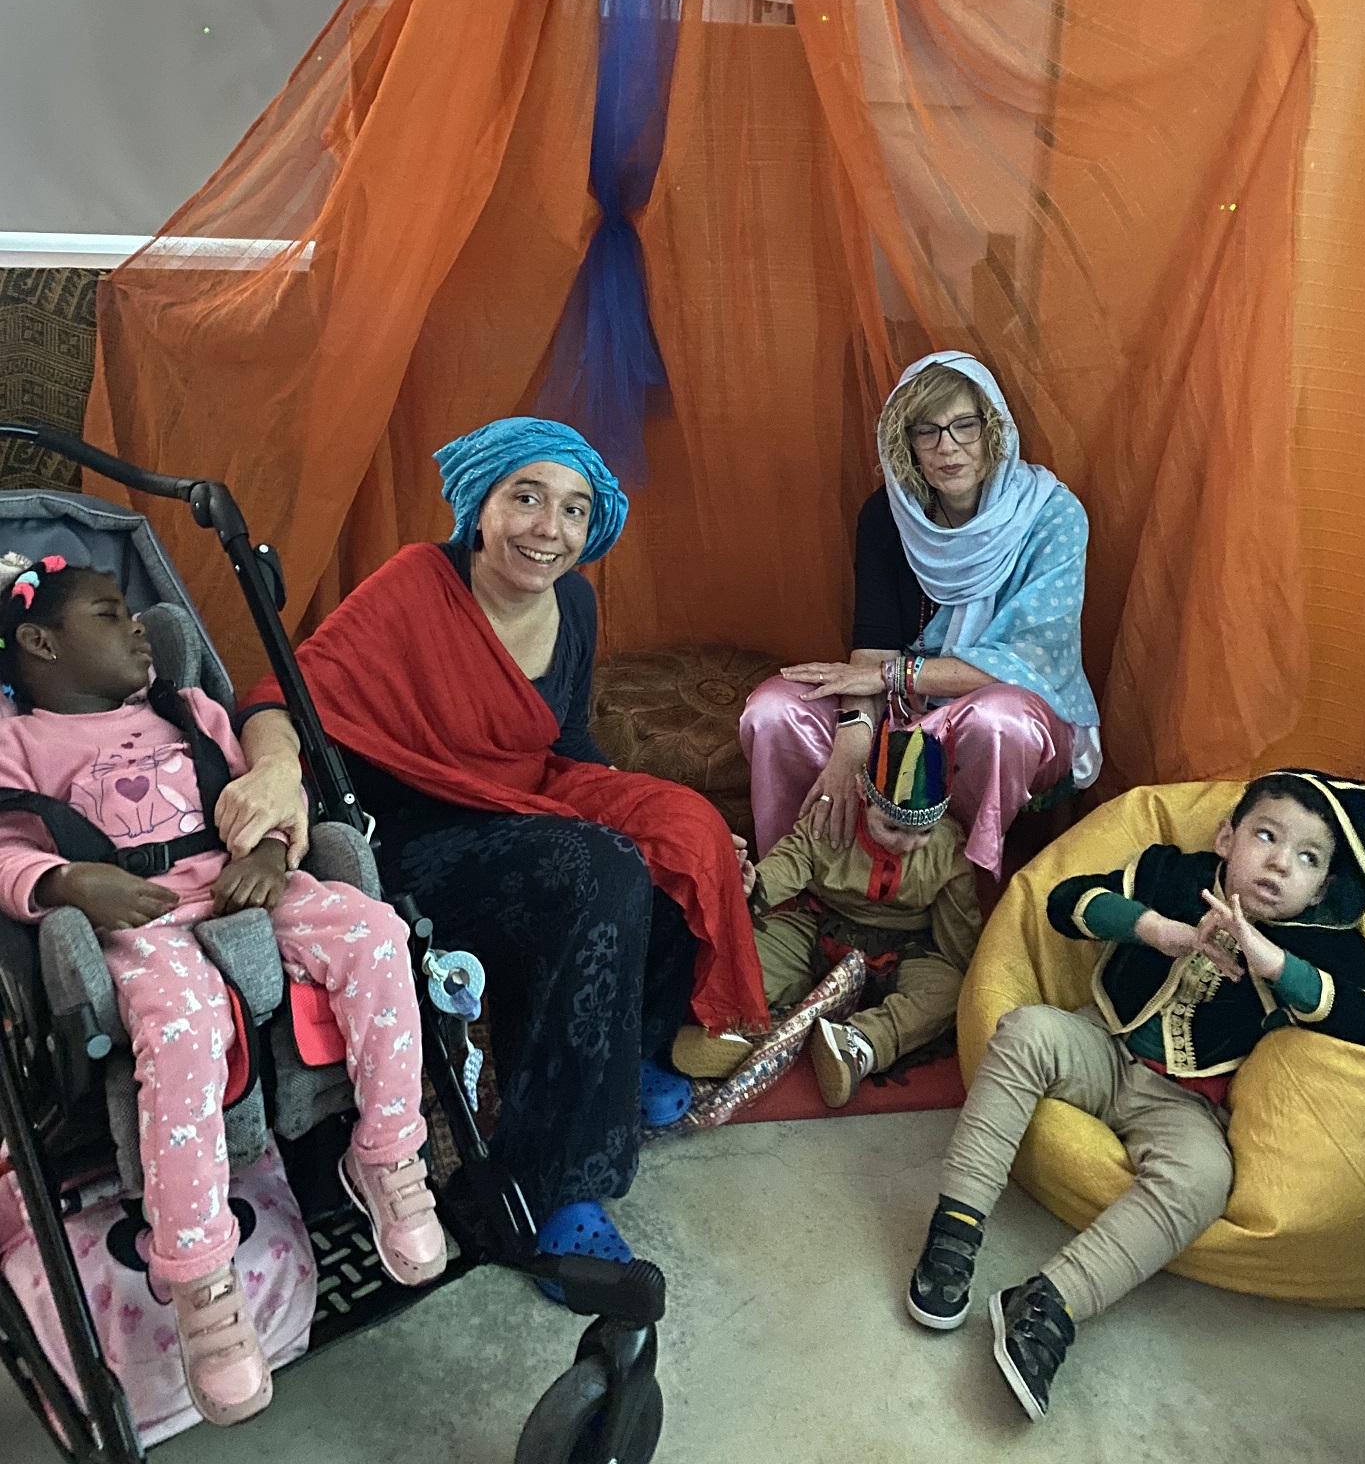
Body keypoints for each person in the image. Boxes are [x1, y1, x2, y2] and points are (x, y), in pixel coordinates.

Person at [233, 418, 766, 1288]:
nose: (548, 528)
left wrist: (637, 810)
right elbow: (278, 695)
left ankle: (631, 1059)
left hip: (523, 796)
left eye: (573, 509)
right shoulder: (416, 583)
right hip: (416, 833)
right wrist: (272, 769)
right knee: (602, 867)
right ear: (480, 506)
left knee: (682, 833)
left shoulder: (576, 606)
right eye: (526, 497)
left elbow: (569, 740)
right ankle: (552, 1191)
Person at [0, 557, 445, 1428]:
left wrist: (272, 851)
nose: (138, 626)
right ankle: (201, 1274)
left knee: (377, 933)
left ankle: (388, 1154)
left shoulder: (189, 710)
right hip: (138, 921)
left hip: (243, 885)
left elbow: (265, 792)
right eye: (109, 613)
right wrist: (67, 882)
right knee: (183, 1020)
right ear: (41, 644)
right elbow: (7, 850)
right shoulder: (19, 745)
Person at [904, 770, 1365, 1422]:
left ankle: (1050, 1302)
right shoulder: (1174, 872)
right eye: (1266, 836)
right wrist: (1152, 928)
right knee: (1024, 1030)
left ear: (1323, 889)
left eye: (1307, 858)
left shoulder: (1323, 943)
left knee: (1206, 1177)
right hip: (1101, 1043)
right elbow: (1067, 902)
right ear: (1226, 838)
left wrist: (1277, 966)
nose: (1281, 863)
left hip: (1186, 1103)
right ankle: (956, 1228)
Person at [740, 350, 1101, 877]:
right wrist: (852, 740)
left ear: (993, 429)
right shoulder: (889, 513)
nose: (946, 447)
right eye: (926, 431)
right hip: (903, 705)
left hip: (1014, 708)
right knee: (773, 710)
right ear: (905, 444)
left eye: (964, 425)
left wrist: (892, 676)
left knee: (998, 723)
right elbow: (873, 648)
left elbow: (1029, 662)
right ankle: (797, 881)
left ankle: (956, 885)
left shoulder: (1053, 516)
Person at [742, 721, 982, 1106]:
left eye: (924, 832)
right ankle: (730, 1026)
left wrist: (972, 982)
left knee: (952, 991)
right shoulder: (832, 818)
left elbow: (960, 924)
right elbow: (792, 860)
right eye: (892, 827)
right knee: (744, 952)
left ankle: (859, 1043)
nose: (908, 844)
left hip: (905, 949)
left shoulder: (948, 845)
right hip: (821, 927)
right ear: (861, 794)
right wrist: (753, 886)